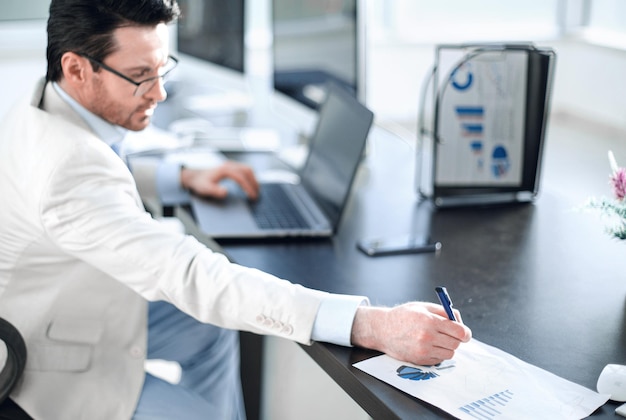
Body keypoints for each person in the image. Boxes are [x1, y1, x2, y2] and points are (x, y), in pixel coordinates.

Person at [0, 0, 472, 419]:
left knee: (209, 331)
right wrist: (367, 323)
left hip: (63, 302)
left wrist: (179, 176)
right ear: (78, 68)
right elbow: (189, 274)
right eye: (141, 76)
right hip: (51, 361)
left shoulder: (47, 96)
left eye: (163, 69)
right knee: (206, 304)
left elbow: (96, 168)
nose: (159, 93)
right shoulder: (67, 170)